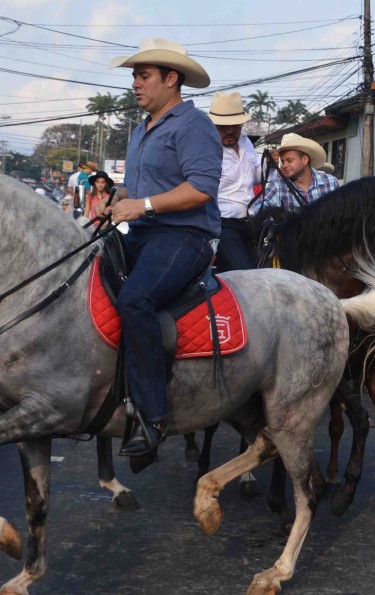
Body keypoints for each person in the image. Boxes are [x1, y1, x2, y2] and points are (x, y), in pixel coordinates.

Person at [106, 38, 221, 456]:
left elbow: (202, 189)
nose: (135, 84)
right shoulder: (142, 129)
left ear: (171, 79)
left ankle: (153, 418)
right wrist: (117, 198)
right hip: (142, 233)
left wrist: (143, 205)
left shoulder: (194, 126)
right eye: (135, 76)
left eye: (143, 75)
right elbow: (136, 188)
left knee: (136, 299)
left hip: (185, 236)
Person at [208, 91, 261, 271]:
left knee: (266, 272)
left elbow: (256, 177)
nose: (230, 130)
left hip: (250, 224)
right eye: (223, 126)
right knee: (247, 277)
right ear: (214, 125)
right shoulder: (206, 150)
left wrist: (271, 164)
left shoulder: (247, 143)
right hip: (223, 226)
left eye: (235, 125)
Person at [252, 133, 339, 216]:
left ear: (305, 160)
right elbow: (256, 211)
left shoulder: (330, 183)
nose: (284, 165)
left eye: (289, 160)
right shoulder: (278, 186)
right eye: (282, 162)